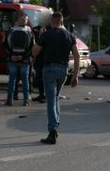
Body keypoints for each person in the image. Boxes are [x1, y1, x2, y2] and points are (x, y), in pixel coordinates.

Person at [32, 12, 80, 145]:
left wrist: (40, 38)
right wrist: (75, 76)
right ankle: (55, 126)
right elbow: (77, 56)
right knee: (56, 97)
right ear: (62, 21)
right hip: (63, 70)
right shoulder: (70, 36)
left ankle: (52, 131)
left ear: (52, 21)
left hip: (49, 69)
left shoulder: (47, 34)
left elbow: (34, 52)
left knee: (51, 100)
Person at [4, 13, 34, 106]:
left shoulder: (10, 31)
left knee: (12, 80)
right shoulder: (29, 32)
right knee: (25, 81)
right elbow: (32, 47)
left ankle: (10, 100)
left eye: (25, 19)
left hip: (13, 60)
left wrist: (11, 56)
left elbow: (5, 45)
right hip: (24, 61)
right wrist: (24, 57)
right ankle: (26, 101)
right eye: (24, 19)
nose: (25, 21)